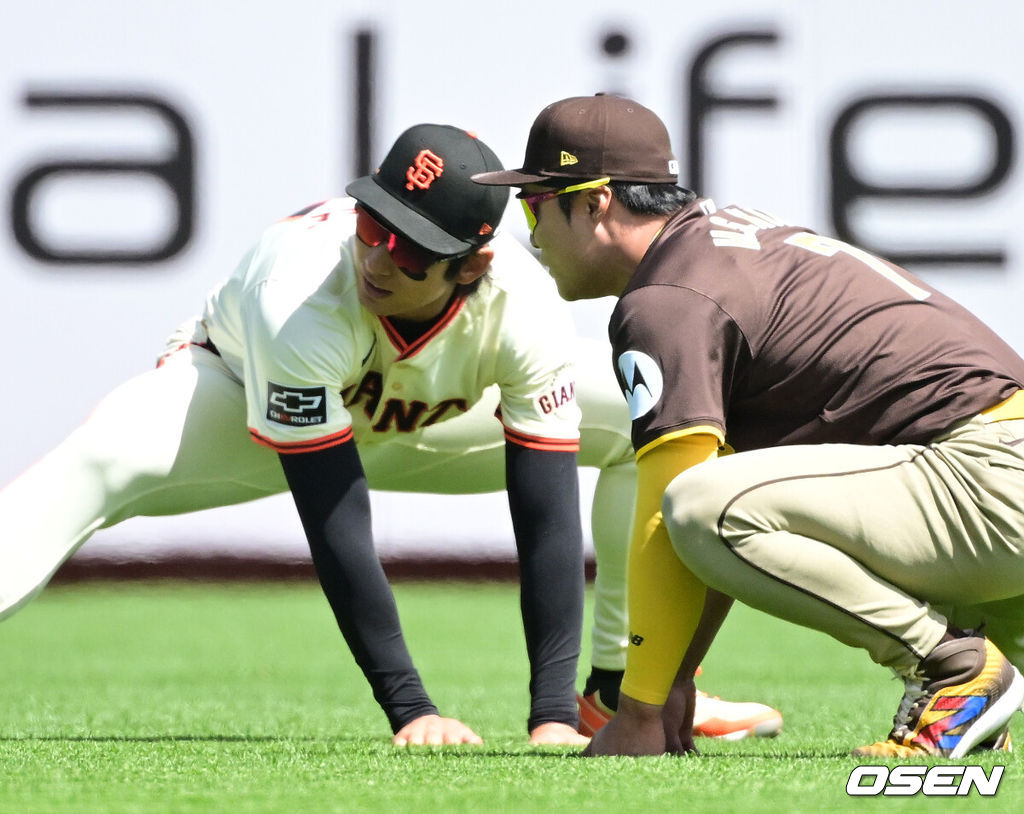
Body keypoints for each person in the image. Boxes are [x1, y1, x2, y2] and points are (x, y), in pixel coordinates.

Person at [0, 122, 778, 746]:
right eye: (373, 223)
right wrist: (411, 708)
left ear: (470, 267)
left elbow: (543, 515)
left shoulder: (520, 303)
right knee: (93, 463)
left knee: (653, 411)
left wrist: (549, 715)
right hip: (237, 399)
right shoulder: (301, 293)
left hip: (427, 416)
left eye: (409, 247)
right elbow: (335, 522)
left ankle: (610, 691)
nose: (378, 255)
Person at [474, 93, 1024, 758]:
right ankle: (973, 694)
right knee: (711, 499)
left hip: (984, 480)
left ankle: (954, 671)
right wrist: (669, 680)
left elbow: (677, 514)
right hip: (985, 483)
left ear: (595, 204)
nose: (528, 232)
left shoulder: (666, 300)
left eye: (534, 204)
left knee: (700, 502)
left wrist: (643, 710)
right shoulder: (718, 243)